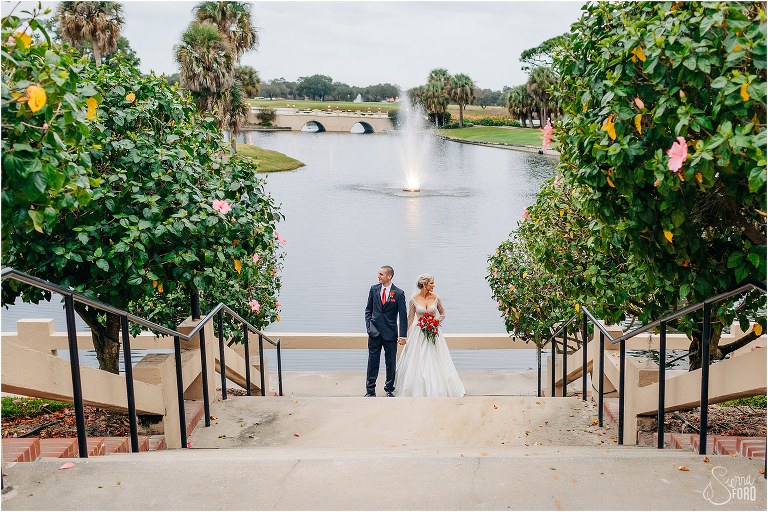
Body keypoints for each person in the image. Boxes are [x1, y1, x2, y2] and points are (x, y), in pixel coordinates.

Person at [394, 274, 465, 397]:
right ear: (424, 284)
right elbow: (410, 319)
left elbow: (442, 314)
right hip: (419, 333)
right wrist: (403, 336)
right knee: (418, 360)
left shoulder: (436, 298)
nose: (434, 285)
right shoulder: (413, 300)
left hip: (434, 333)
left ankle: (440, 387)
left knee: (438, 359)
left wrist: (435, 322)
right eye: (431, 283)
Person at [364, 265, 407, 397]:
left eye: (381, 274)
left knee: (390, 363)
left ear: (389, 276)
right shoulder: (374, 289)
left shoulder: (398, 293)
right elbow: (368, 310)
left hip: (390, 334)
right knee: (372, 362)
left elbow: (403, 316)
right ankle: (370, 390)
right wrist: (369, 327)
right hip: (374, 333)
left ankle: (389, 389)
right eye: (379, 274)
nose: (378, 276)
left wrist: (403, 335)